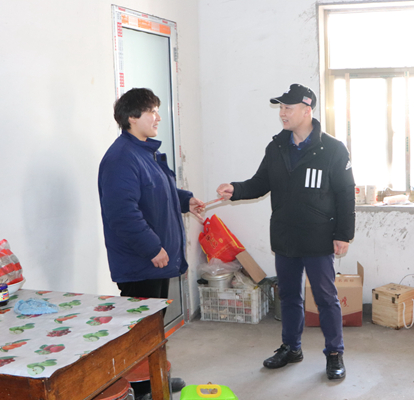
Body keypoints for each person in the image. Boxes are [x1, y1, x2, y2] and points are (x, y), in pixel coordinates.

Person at [216, 83, 355, 380]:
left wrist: (343, 234)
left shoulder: (332, 149)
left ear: (307, 110)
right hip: (285, 236)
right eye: (280, 107)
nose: (282, 113)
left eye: (287, 108)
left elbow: (346, 194)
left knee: (325, 297)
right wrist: (235, 189)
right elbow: (260, 182)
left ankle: (334, 353)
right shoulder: (277, 147)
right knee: (289, 296)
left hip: (318, 237)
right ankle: (291, 348)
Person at [98, 88, 204, 394]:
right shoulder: (121, 158)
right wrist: (152, 248)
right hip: (141, 260)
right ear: (132, 118)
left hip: (154, 258)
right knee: (139, 330)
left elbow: (157, 192)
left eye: (157, 110)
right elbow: (122, 214)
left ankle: (153, 379)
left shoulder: (145, 152)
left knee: (152, 326)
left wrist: (185, 200)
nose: (158, 117)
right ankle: (143, 387)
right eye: (151, 112)